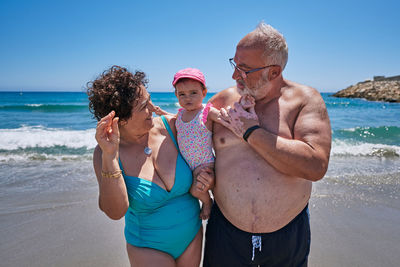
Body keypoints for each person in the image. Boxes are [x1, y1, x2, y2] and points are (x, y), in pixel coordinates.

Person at [203, 22, 332, 267]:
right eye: (234, 64)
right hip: (225, 233)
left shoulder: (305, 100)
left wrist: (250, 131)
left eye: (243, 69)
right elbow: (188, 136)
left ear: (273, 72)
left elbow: (316, 165)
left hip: (286, 236)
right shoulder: (222, 100)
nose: (233, 76)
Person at [87, 65, 212, 267]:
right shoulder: (105, 153)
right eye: (144, 105)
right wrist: (110, 157)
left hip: (192, 235)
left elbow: (207, 138)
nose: (152, 108)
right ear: (122, 119)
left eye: (150, 99)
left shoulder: (173, 127)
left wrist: (209, 176)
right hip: (148, 246)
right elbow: (115, 212)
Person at [172, 67, 218, 220]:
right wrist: (159, 112)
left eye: (193, 93)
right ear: (176, 96)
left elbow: (223, 117)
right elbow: (170, 118)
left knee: (195, 190)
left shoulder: (206, 112)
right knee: (192, 187)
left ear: (204, 93)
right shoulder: (180, 114)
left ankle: (207, 203)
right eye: (182, 94)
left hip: (205, 163)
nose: (187, 98)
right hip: (189, 165)